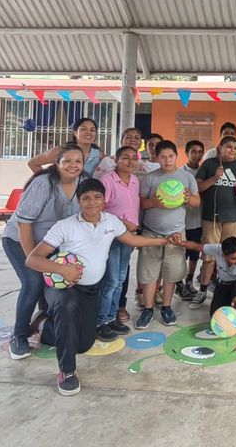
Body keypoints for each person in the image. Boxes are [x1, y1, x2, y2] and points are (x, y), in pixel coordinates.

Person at [25, 178, 170, 396]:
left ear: (104, 200)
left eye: (97, 197)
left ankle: (44, 325)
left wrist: (163, 241)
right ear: (78, 201)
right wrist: (62, 269)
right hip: (64, 289)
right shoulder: (65, 226)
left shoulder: (110, 221)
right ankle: (67, 372)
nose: (92, 202)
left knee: (82, 344)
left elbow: (132, 240)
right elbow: (32, 259)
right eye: (86, 198)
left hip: (92, 290)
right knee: (67, 309)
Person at [2, 144, 83, 360]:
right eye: (67, 161)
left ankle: (42, 323)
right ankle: (18, 336)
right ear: (57, 164)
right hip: (19, 240)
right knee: (34, 282)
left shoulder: (81, 184)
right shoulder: (42, 184)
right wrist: (33, 258)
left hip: (49, 244)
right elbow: (24, 225)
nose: (73, 166)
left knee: (53, 283)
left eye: (78, 161)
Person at [135, 140, 200, 329]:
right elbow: (141, 204)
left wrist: (190, 199)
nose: (167, 160)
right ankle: (148, 309)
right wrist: (154, 202)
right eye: (163, 157)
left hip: (176, 235)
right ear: (157, 158)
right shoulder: (150, 178)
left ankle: (166, 307)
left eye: (170, 156)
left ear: (176, 156)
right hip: (151, 233)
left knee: (171, 273)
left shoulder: (187, 177)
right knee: (149, 273)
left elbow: (197, 201)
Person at [192, 136, 236, 309]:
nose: (232, 150)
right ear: (220, 148)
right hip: (212, 217)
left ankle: (229, 290)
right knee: (209, 256)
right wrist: (213, 179)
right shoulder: (209, 164)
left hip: (233, 217)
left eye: (235, 148)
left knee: (231, 256)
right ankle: (202, 290)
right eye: (229, 147)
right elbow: (198, 188)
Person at [96, 146, 141, 341]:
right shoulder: (107, 180)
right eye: (125, 158)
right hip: (111, 238)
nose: (130, 162)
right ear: (117, 159)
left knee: (121, 279)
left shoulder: (135, 180)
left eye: (133, 158)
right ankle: (101, 321)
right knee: (111, 281)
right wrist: (124, 223)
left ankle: (113, 317)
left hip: (128, 238)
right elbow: (99, 209)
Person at [28, 117, 103, 178]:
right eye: (83, 129)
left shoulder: (99, 155)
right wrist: (48, 181)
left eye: (92, 130)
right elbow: (32, 163)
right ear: (75, 133)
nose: (88, 132)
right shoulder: (60, 151)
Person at [178, 140, 205, 300]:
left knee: (194, 253)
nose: (197, 155)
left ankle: (189, 280)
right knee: (181, 253)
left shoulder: (204, 172)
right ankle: (178, 283)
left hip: (199, 219)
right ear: (186, 153)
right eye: (193, 151)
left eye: (200, 151)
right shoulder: (180, 173)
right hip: (182, 220)